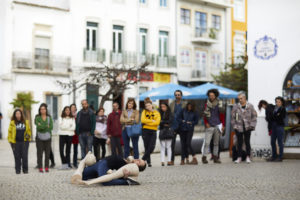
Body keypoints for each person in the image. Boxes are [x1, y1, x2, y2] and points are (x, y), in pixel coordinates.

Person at [71, 152, 146, 186]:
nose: (138, 160)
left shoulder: (130, 167)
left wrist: (125, 178)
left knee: (106, 182)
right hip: (100, 163)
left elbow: (117, 175)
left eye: (139, 162)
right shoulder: (129, 161)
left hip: (104, 166)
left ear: (137, 167)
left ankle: (126, 182)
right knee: (82, 175)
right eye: (139, 159)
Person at [231, 92, 257, 164]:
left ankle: (248, 157)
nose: (240, 100)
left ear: (245, 98)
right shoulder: (235, 106)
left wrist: (252, 125)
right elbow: (233, 117)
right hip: (238, 127)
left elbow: (254, 116)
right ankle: (239, 157)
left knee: (247, 142)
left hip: (247, 127)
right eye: (239, 99)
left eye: (241, 98)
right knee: (239, 143)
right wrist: (235, 126)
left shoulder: (250, 106)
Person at [202, 89, 225, 164]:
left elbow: (222, 115)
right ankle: (204, 157)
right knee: (207, 142)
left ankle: (215, 157)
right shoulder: (206, 104)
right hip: (209, 125)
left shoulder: (219, 103)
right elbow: (204, 115)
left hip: (217, 125)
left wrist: (223, 125)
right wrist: (206, 123)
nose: (211, 96)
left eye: (212, 95)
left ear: (215, 95)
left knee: (216, 143)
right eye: (210, 95)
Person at [8, 109, 31, 174]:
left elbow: (29, 131)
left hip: (24, 142)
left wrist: (28, 138)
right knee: (17, 156)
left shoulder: (26, 122)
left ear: (21, 114)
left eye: (19, 113)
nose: (18, 115)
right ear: (15, 115)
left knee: (24, 156)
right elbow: (9, 132)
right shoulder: (12, 123)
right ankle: (17, 170)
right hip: (15, 142)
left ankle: (25, 170)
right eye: (16, 114)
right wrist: (10, 141)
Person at [141, 97, 161, 167]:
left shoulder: (156, 113)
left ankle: (142, 159)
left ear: (151, 105)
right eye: (146, 106)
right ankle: (148, 162)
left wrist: (148, 122)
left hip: (153, 131)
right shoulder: (144, 112)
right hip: (145, 131)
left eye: (149, 105)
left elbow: (157, 123)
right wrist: (152, 121)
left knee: (152, 147)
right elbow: (143, 120)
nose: (148, 107)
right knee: (146, 147)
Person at [169, 90, 187, 165]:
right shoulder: (172, 104)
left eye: (178, 95)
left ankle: (183, 159)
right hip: (173, 126)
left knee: (183, 144)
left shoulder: (185, 104)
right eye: (176, 95)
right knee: (172, 144)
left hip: (182, 126)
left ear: (181, 95)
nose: (177, 96)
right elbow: (170, 114)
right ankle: (172, 160)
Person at [35, 103, 53, 172]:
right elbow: (38, 127)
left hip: (48, 138)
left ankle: (46, 167)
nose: (42, 110)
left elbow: (51, 127)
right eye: (41, 109)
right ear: (39, 110)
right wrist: (46, 126)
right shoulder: (37, 118)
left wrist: (42, 125)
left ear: (46, 110)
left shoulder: (49, 117)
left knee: (47, 153)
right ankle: (40, 167)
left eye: (44, 109)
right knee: (39, 153)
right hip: (39, 138)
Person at [267, 97, 286, 162]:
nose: (277, 103)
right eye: (276, 102)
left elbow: (281, 117)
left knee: (280, 142)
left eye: (279, 102)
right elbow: (271, 117)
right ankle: (274, 156)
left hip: (279, 127)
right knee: (272, 141)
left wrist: (275, 116)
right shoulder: (274, 108)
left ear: (282, 102)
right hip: (273, 126)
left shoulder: (283, 109)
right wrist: (276, 115)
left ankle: (280, 157)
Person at [70, 103, 79, 168]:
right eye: (72, 108)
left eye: (74, 107)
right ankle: (68, 162)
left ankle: (75, 162)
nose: (73, 109)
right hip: (70, 133)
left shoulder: (78, 115)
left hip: (76, 134)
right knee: (68, 149)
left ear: (75, 108)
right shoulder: (68, 115)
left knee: (75, 149)